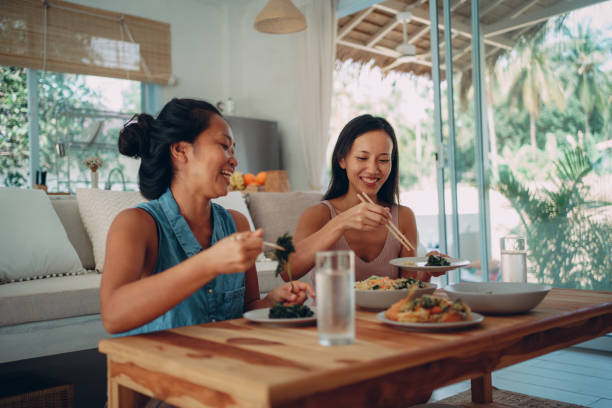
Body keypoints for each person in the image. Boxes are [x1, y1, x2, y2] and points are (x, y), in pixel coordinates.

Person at [100, 98, 313, 336]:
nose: (234, 160)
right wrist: (209, 263)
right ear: (181, 150)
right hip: (157, 368)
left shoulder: (236, 224)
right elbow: (112, 316)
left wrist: (271, 303)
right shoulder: (136, 224)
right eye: (224, 146)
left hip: (221, 362)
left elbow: (247, 309)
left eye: (233, 150)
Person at [284, 114, 447, 286]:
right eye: (362, 158)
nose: (372, 169)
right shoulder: (318, 215)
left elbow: (409, 287)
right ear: (342, 159)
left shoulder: (403, 217)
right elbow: (287, 271)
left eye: (383, 160)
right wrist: (342, 222)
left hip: (386, 313)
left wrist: (428, 270)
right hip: (331, 313)